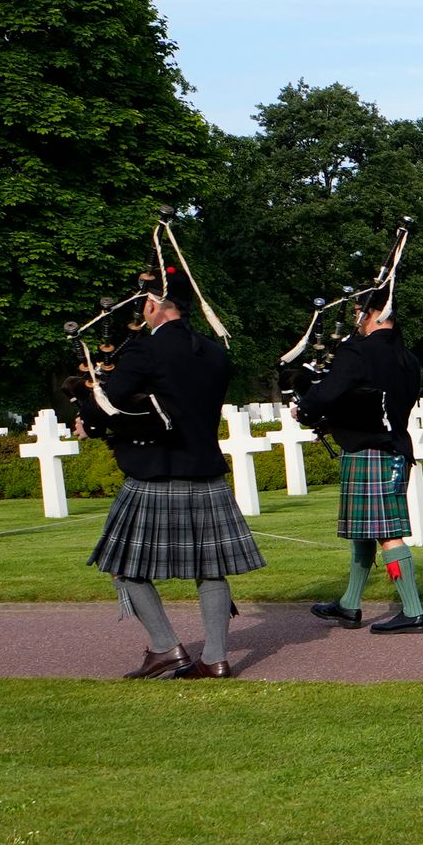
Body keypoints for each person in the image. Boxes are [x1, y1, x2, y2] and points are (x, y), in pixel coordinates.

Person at [82, 282, 261, 679]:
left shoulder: (144, 350)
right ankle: (215, 658)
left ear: (152, 305)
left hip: (155, 471)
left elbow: (107, 402)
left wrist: (86, 421)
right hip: (206, 471)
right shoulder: (215, 353)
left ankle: (166, 649)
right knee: (211, 569)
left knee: (124, 567)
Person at [296, 289, 423, 635]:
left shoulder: (356, 350)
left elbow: (329, 392)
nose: (356, 319)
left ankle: (413, 612)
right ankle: (349, 605)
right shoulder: (408, 359)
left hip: (371, 451)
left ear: (373, 314)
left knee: (388, 534)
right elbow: (370, 401)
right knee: (365, 532)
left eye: (359, 312)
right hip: (396, 445)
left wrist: (306, 409)